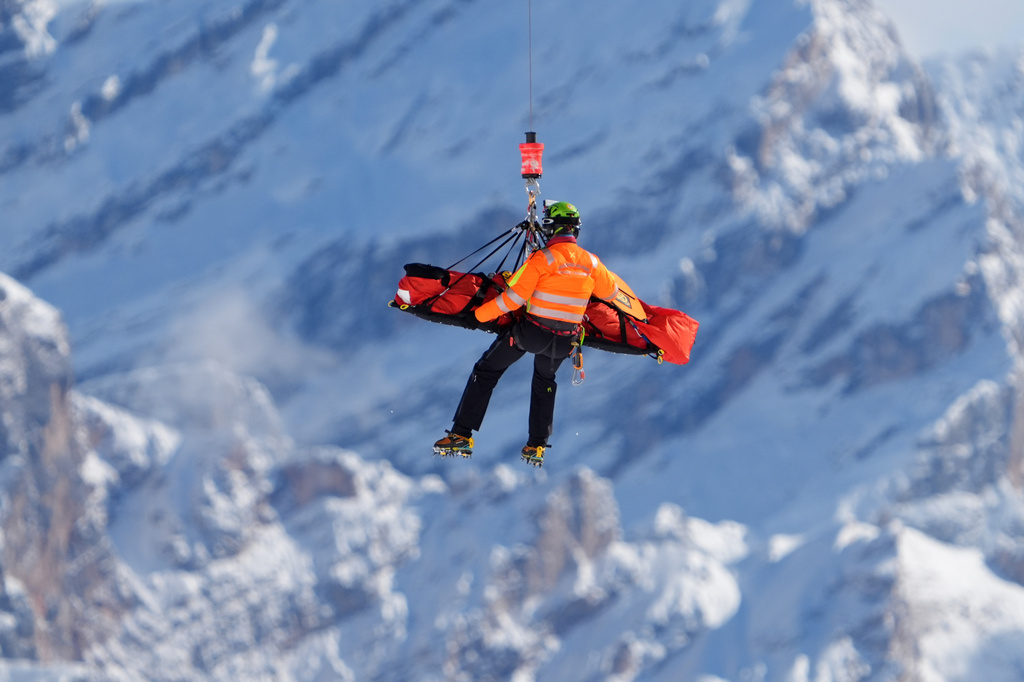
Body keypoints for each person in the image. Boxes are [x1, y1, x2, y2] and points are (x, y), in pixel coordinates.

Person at [433, 201, 619, 466]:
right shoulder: (592, 262)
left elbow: (513, 300)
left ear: (551, 229)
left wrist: (477, 316)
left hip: (532, 332)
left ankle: (461, 435)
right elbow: (611, 294)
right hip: (565, 342)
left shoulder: (542, 259)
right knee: (545, 381)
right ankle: (536, 446)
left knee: (486, 371)